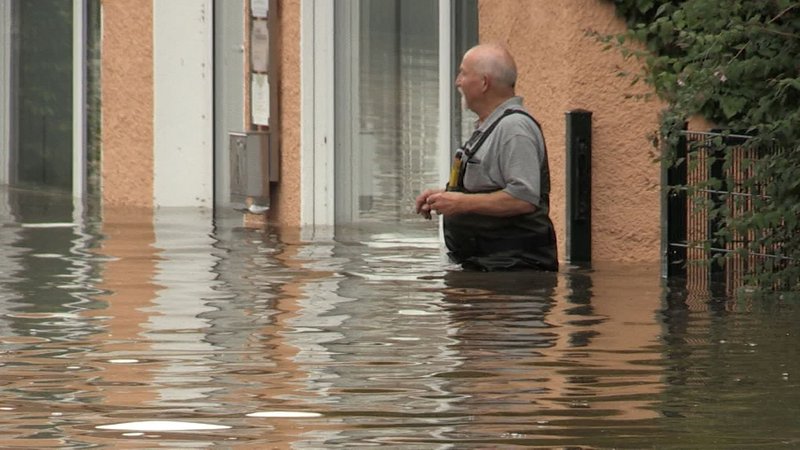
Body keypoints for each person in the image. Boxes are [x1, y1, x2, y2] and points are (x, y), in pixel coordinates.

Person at [415, 44, 558, 272]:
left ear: (484, 83)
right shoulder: (492, 126)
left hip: (513, 272)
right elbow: (489, 187)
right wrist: (444, 196)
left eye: (463, 73)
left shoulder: (514, 128)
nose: (457, 82)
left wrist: (459, 203)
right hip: (491, 268)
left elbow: (523, 198)